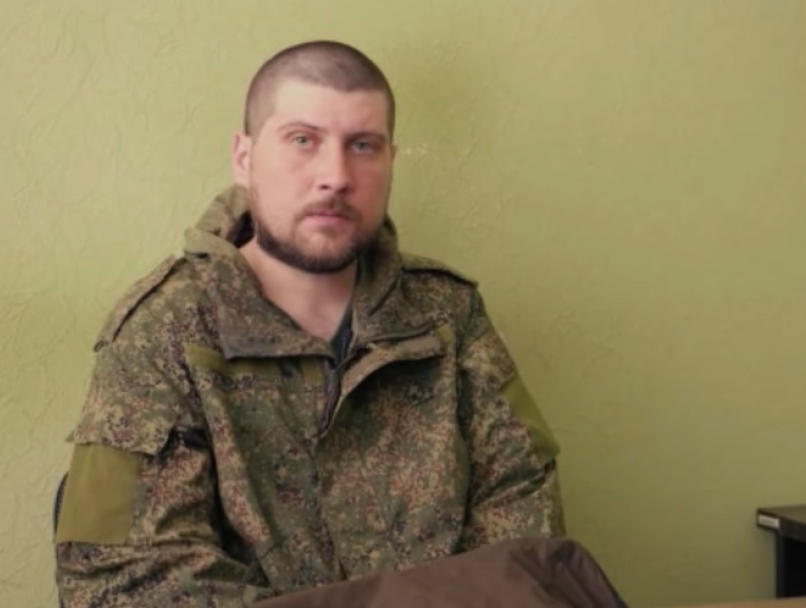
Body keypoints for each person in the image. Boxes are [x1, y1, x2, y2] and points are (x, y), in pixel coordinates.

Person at [53, 40, 566, 608]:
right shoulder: (168, 329)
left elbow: (523, 514)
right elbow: (125, 576)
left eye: (363, 146)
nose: (336, 176)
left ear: (390, 161)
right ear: (244, 158)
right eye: (303, 140)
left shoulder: (447, 313)